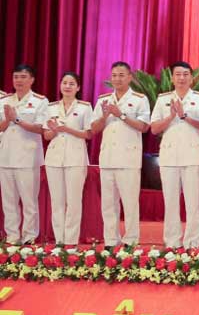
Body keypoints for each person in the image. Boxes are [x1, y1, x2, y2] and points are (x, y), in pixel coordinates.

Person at [149, 61, 199, 249]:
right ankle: (172, 242)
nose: (182, 78)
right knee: (170, 201)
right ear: (172, 78)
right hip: (169, 156)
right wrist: (170, 116)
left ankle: (192, 243)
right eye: (178, 74)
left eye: (185, 74)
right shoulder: (163, 99)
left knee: (193, 202)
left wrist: (185, 116)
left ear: (191, 78)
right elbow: (153, 129)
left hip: (192, 155)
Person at [89, 62, 150, 248]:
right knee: (108, 203)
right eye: (114, 75)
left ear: (130, 77)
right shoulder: (103, 100)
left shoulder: (139, 99)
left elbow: (144, 126)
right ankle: (110, 240)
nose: (117, 79)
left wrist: (121, 114)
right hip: (107, 158)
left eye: (121, 75)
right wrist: (105, 116)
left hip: (128, 159)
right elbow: (93, 129)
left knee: (130, 202)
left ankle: (130, 240)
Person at [0, 65, 49, 244]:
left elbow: (40, 128)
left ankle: (29, 236)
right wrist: (8, 119)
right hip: (5, 156)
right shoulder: (4, 100)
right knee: (9, 200)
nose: (18, 80)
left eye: (22, 77)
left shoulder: (40, 101)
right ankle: (12, 236)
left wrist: (17, 119)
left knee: (29, 200)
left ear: (31, 79)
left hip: (28, 157)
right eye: (15, 77)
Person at [42, 72, 91, 246]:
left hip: (76, 158)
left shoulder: (85, 107)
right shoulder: (50, 107)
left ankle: (71, 241)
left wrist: (67, 129)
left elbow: (88, 133)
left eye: (72, 83)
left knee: (74, 201)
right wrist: (55, 130)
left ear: (78, 87)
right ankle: (59, 241)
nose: (67, 86)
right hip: (54, 158)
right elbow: (46, 135)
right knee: (57, 201)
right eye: (64, 82)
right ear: (60, 85)